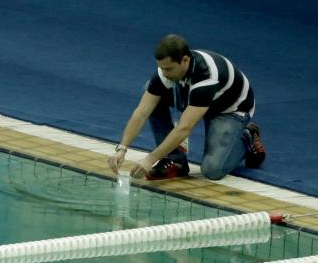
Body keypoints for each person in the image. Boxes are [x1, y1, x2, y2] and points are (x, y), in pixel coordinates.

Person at [108, 34, 265, 181]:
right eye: (161, 68)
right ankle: (175, 160)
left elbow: (184, 128)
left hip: (229, 110)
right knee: (150, 93)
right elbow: (142, 111)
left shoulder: (206, 77)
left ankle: (248, 137)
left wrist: (150, 159)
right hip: (196, 98)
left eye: (168, 69)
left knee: (212, 170)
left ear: (185, 60)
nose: (164, 73)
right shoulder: (166, 71)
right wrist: (122, 148)